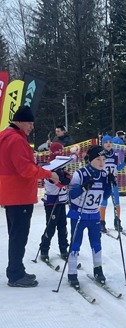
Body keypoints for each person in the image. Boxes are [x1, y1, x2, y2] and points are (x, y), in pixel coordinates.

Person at [0, 105, 60, 287]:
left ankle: (16, 269)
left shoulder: (5, 136)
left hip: (10, 193)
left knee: (15, 234)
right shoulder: (16, 140)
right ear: (18, 121)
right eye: (29, 123)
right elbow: (25, 169)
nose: (31, 127)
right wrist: (48, 173)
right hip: (19, 194)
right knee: (19, 235)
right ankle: (16, 274)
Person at [66, 145, 111, 289]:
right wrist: (83, 187)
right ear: (91, 159)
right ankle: (72, 273)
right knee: (75, 243)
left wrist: (109, 184)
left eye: (104, 159)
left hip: (94, 214)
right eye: (98, 159)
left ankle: (98, 270)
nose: (101, 162)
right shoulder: (80, 174)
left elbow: (105, 196)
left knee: (96, 243)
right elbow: (71, 196)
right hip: (79, 214)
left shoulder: (103, 174)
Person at [39, 142, 71, 262]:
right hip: (52, 201)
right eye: (58, 151)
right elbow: (60, 182)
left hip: (61, 200)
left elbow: (68, 179)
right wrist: (66, 178)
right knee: (51, 227)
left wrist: (67, 176)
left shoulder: (60, 166)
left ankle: (63, 249)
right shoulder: (49, 168)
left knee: (62, 226)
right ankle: (44, 249)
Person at [99, 135, 126, 233]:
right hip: (104, 182)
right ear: (103, 144)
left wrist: (125, 162)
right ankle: (101, 222)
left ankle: (117, 221)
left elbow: (117, 168)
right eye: (106, 142)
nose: (108, 144)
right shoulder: (101, 155)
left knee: (117, 202)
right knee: (104, 202)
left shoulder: (115, 155)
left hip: (113, 182)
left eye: (110, 142)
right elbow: (97, 168)